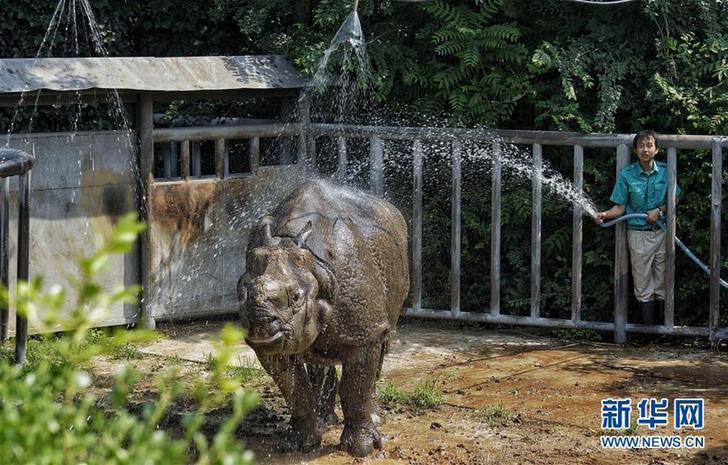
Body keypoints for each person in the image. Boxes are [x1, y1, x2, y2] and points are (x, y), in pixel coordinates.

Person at [595, 130, 680, 325]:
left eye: (649, 145)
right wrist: (605, 214)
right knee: (642, 284)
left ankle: (664, 331)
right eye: (641, 145)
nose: (645, 149)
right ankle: (650, 334)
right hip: (638, 234)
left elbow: (674, 198)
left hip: (663, 232)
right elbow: (620, 207)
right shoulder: (627, 175)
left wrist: (659, 210)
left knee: (663, 282)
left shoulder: (667, 171)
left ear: (656, 149)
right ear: (635, 150)